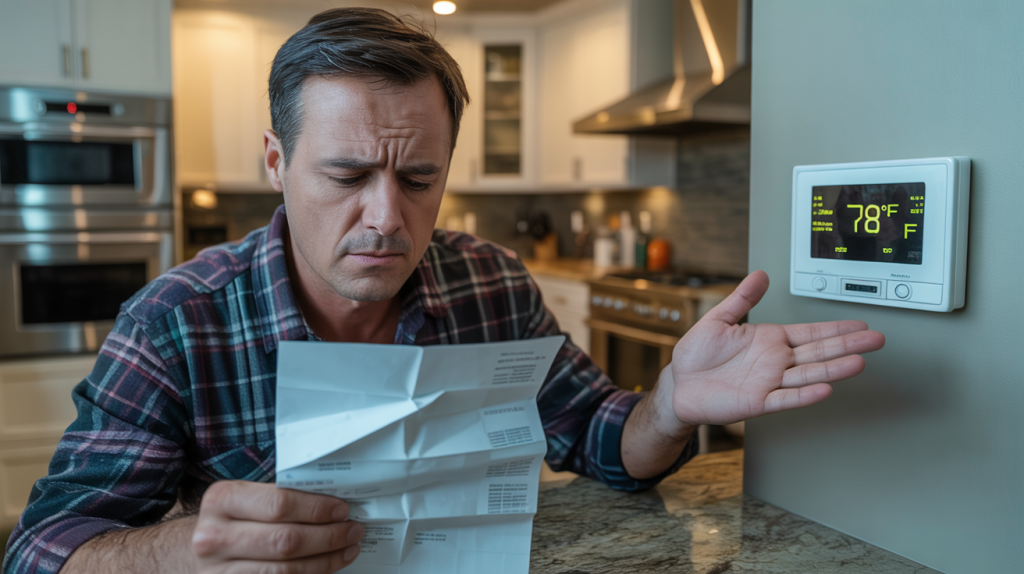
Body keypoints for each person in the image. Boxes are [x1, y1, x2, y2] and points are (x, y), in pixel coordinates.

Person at [2, 8, 884, 574]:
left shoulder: (489, 283)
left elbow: (603, 443)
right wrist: (177, 555)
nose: (387, 217)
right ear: (276, 161)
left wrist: (674, 404)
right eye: (347, 174)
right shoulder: (176, 322)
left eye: (420, 178)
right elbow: (40, 548)